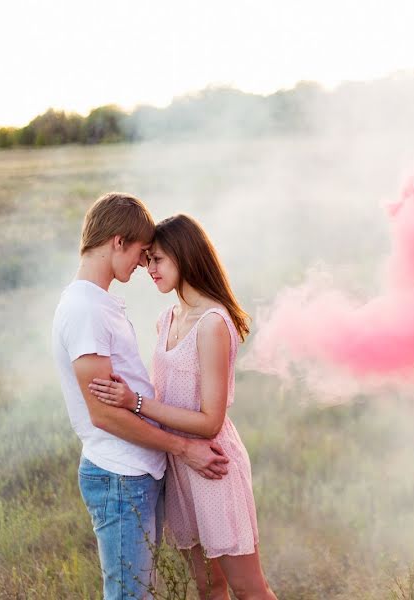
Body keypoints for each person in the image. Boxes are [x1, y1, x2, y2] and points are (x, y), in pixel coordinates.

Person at [88, 214, 277, 600]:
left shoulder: (212, 324)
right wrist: (131, 396)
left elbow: (210, 421)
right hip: (179, 466)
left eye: (157, 260)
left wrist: (135, 402)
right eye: (147, 260)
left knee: (248, 589)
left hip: (211, 463)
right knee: (208, 588)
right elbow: (168, 394)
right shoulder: (166, 319)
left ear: (185, 256)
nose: (148, 269)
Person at [52, 193, 230, 600]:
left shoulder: (99, 303)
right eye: (140, 252)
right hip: (119, 475)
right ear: (118, 241)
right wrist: (184, 448)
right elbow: (105, 415)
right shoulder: (85, 309)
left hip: (135, 471)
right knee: (130, 596)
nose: (142, 263)